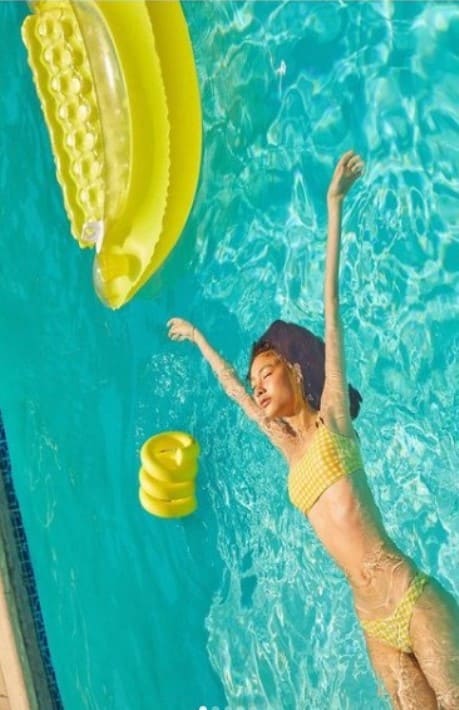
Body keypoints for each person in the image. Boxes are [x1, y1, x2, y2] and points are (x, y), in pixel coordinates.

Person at [167, 151, 459, 708]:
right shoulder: (287, 448)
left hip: (410, 597)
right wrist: (200, 339)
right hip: (374, 626)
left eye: (266, 374)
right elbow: (234, 392)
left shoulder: (334, 419)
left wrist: (334, 204)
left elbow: (332, 306)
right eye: (255, 381)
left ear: (296, 373)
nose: (257, 388)